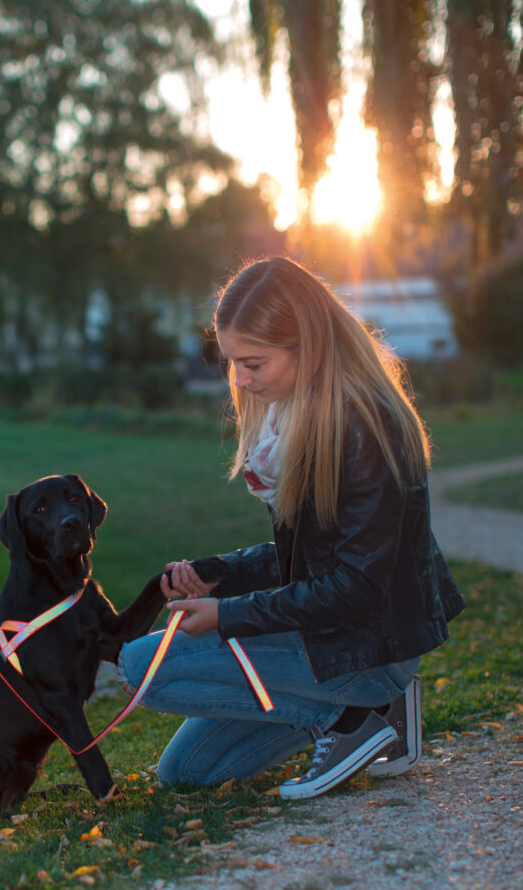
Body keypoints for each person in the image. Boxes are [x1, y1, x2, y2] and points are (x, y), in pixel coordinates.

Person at [116, 256, 465, 799]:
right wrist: (220, 575)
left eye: (254, 363)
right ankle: (365, 713)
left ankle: (356, 718)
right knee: (188, 772)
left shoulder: (361, 427)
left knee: (143, 665)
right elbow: (311, 556)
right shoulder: (293, 417)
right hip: (337, 639)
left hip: (368, 646)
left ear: (308, 344)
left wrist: (227, 616)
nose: (242, 379)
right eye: (232, 362)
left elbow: (359, 586)